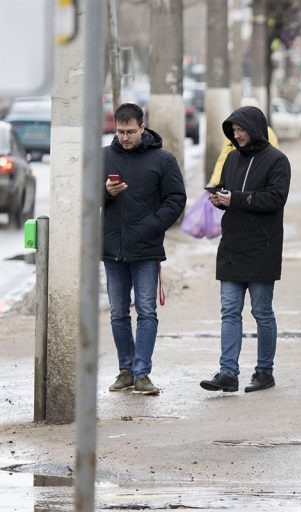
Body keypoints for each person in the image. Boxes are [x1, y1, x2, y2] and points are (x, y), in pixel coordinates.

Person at [199, 106, 291, 393]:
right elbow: (229, 192)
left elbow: (275, 199)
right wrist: (219, 199)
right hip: (232, 245)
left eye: (241, 129)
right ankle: (228, 372)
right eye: (233, 130)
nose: (236, 135)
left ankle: (265, 371)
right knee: (229, 311)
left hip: (263, 246)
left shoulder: (278, 161)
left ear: (255, 128)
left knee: (262, 312)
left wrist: (235, 199)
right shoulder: (231, 159)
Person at [103, 102, 187, 395]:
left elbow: (176, 199)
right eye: (120, 131)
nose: (124, 137)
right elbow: (85, 198)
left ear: (142, 127)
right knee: (117, 312)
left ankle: (142, 373)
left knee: (147, 311)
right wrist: (105, 193)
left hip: (147, 248)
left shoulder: (162, 159)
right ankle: (125, 370)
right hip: (112, 249)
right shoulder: (104, 157)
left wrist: (152, 226)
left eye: (130, 132)